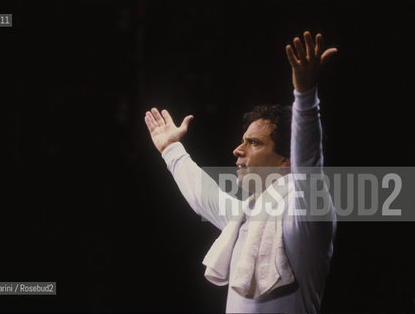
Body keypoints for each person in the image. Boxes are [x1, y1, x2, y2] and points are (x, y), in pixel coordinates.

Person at [144, 31, 337, 313]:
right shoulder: (246, 217)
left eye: (254, 142)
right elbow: (203, 195)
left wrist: (305, 97)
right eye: (243, 140)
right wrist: (171, 148)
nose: (237, 149)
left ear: (287, 159)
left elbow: (309, 162)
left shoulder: (305, 215)